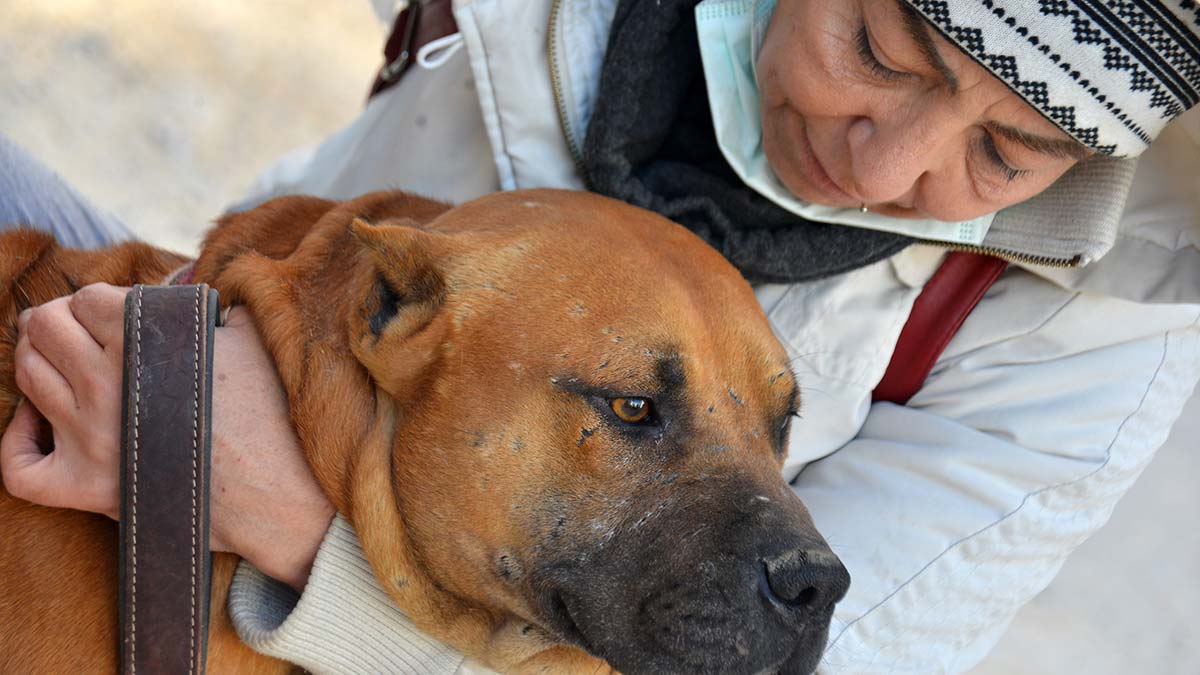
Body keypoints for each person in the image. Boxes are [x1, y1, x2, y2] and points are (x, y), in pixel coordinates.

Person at [2, 0, 1198, 672]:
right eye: (881, 53)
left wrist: (280, 515)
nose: (882, 165)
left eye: (1009, 154)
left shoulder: (1095, 350)